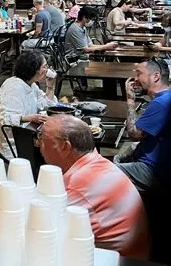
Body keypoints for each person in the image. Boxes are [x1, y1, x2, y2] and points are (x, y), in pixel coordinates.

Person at [37, 115, 149, 258]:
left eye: (42, 139)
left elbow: (45, 232)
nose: (38, 144)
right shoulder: (100, 164)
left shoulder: (76, 186)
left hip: (118, 260)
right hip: (133, 254)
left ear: (65, 147)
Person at [115, 58, 171, 194]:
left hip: (154, 171)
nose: (135, 78)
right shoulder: (165, 98)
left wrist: (130, 101)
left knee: (102, 173)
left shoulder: (161, 103)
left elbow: (134, 134)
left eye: (139, 73)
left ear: (156, 76)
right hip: (161, 164)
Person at [0, 50, 57, 160]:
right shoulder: (13, 88)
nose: (47, 70)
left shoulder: (31, 85)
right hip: (14, 142)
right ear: (34, 69)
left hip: (28, 134)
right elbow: (5, 119)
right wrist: (30, 118)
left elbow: (46, 105)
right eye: (44, 66)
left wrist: (50, 87)